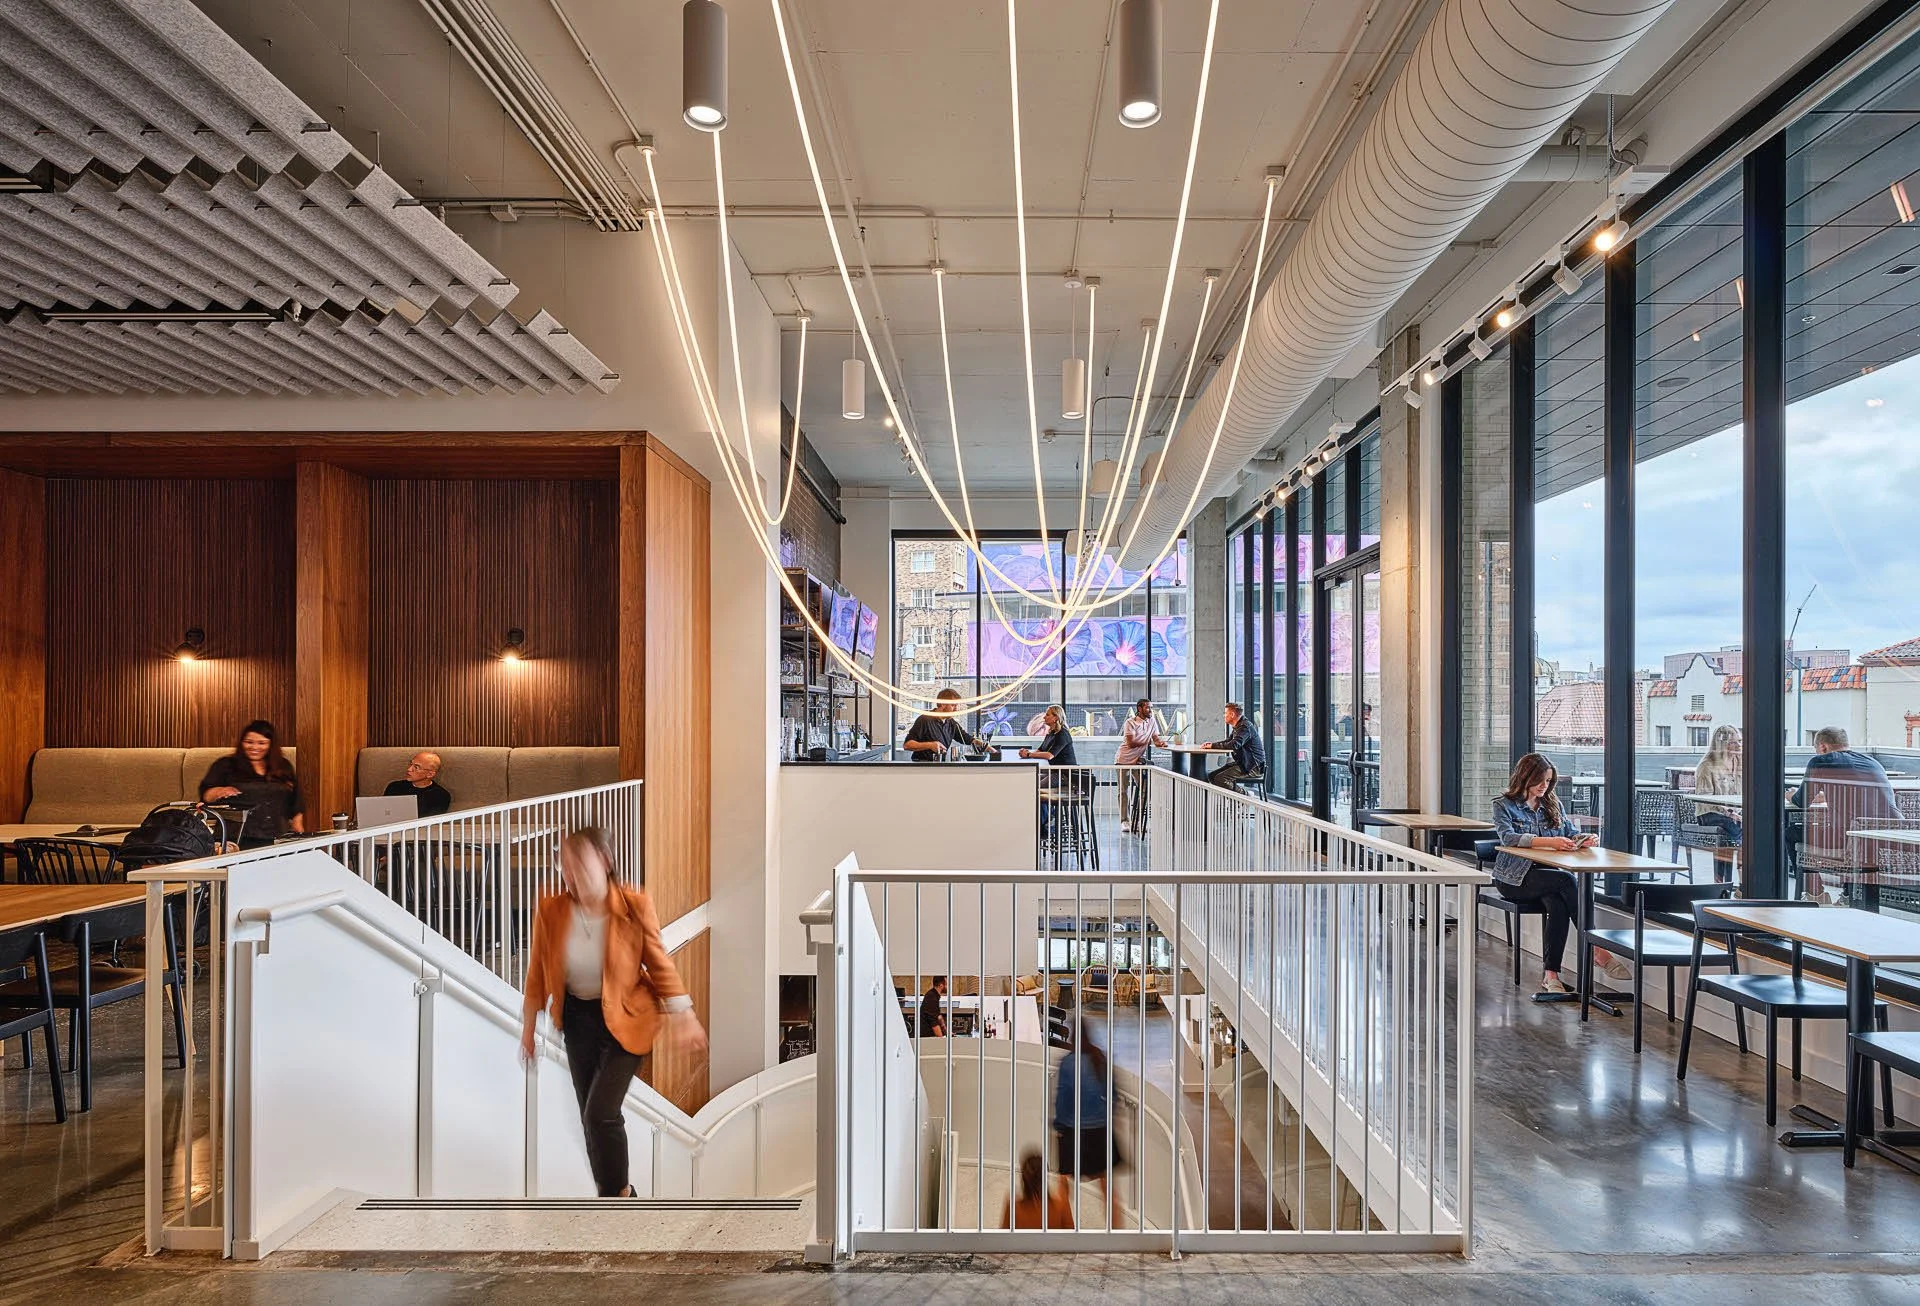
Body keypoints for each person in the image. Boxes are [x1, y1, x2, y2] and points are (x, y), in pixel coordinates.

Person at [518, 827, 707, 1198]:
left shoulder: (633, 906)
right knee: (591, 1117)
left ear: (604, 862)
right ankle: (613, 1198)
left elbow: (658, 963)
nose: (570, 875)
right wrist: (528, 1029)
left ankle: (619, 1197)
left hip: (630, 1019)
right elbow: (537, 974)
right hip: (577, 1020)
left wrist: (686, 1016)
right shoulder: (552, 910)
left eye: (579, 864)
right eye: (564, 867)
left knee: (599, 1112)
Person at [1491, 753, 1624, 995]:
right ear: (1525, 778)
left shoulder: (1553, 804)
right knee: (1566, 879)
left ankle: (1551, 976)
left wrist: (1583, 840)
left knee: (1559, 904)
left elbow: (1570, 832)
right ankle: (1596, 948)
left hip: (1547, 878)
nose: (1545, 786)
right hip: (1513, 878)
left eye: (1549, 781)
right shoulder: (1504, 805)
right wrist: (1550, 842)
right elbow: (1508, 838)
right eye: (1540, 781)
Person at [1791, 725, 1897, 901]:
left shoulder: (1821, 761)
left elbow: (1801, 801)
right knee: (1848, 828)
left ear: (1823, 747)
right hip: (1886, 839)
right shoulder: (1872, 762)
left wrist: (1789, 794)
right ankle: (1847, 896)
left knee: (1790, 833)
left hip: (1850, 840)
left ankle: (1815, 894)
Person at [1052, 1019, 1121, 1227]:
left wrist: (1059, 1126)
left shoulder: (1068, 1063)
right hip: (1100, 1130)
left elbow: (1062, 1099)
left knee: (1063, 1185)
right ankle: (1116, 1233)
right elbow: (1113, 1095)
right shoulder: (1100, 1059)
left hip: (1073, 1130)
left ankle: (1067, 1232)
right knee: (1107, 1187)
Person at [199, 719, 303, 847]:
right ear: (241, 743)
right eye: (249, 742)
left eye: (261, 743)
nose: (254, 747)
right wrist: (219, 791)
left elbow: (296, 800)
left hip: (277, 836)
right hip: (237, 837)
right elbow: (205, 795)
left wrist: (298, 826)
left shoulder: (283, 766)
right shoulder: (226, 765)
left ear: (271, 745)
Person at [1115, 699, 1167, 834]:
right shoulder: (1130, 723)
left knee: (1145, 789)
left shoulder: (1152, 721)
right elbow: (1131, 743)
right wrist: (1148, 740)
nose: (1150, 710)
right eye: (1148, 708)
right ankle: (1124, 821)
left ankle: (1137, 820)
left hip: (1137, 760)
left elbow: (1155, 739)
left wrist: (1160, 743)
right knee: (1123, 791)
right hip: (1123, 760)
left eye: (1151, 708)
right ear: (1140, 708)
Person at [1691, 726, 1743, 847]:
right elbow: (1705, 799)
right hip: (1711, 813)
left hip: (1736, 810)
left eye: (1739, 741)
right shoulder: (1706, 766)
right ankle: (1749, 849)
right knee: (1731, 824)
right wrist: (1729, 813)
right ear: (1722, 745)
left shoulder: (1742, 762)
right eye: (1732, 742)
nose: (1739, 745)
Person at [1001, 1148, 1073, 1230]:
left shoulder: (1013, 1207)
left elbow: (1003, 1237)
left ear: (1023, 1178)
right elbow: (1071, 1234)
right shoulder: (1061, 1205)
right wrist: (1063, 1188)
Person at [903, 688, 984, 761]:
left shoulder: (951, 723)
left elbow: (967, 739)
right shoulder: (924, 719)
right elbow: (907, 745)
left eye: (957, 705)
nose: (956, 709)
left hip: (940, 767)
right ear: (942, 704)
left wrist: (987, 747)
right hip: (922, 767)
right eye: (953, 705)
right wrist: (930, 745)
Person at [1206, 702, 1265, 790]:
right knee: (1211, 776)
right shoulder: (1238, 726)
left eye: (1225, 713)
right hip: (1244, 763)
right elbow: (1229, 741)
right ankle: (1228, 801)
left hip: (1252, 767)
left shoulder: (1245, 727)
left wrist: (1212, 746)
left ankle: (1246, 797)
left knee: (1220, 778)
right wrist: (1211, 745)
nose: (1224, 715)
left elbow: (1234, 745)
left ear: (1232, 714)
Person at [384, 751, 452, 818]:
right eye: (411, 764)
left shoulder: (441, 796)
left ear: (430, 774)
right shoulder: (394, 787)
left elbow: (430, 823)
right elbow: (384, 812)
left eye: (416, 767)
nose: (409, 769)